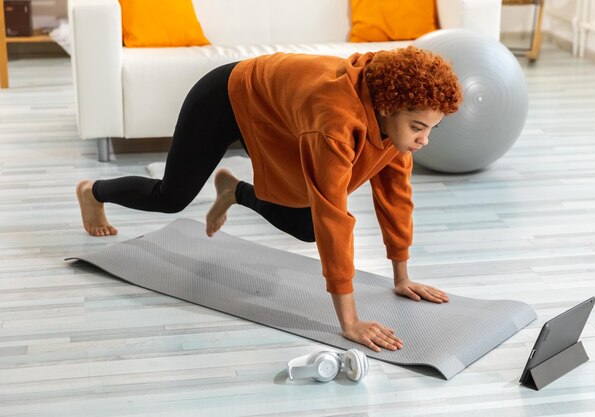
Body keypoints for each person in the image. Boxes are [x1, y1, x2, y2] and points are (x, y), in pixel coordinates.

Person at [76, 46, 463, 352]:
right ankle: (93, 191)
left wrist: (402, 277)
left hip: (277, 110)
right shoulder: (335, 124)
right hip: (227, 96)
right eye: (417, 127)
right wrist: (349, 322)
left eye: (432, 129)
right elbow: (334, 216)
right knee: (171, 197)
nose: (424, 139)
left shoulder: (397, 133)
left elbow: (395, 198)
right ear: (388, 107)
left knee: (305, 227)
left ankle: (234, 190)